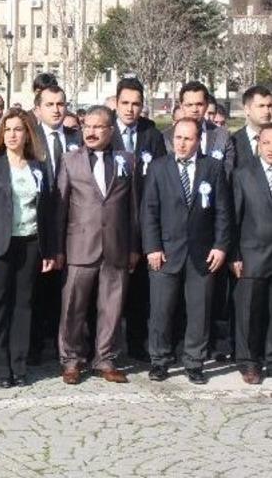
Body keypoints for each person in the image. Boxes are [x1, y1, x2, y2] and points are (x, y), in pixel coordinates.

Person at [54, 106, 140, 385]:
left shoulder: (128, 160)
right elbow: (60, 207)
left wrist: (134, 246)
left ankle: (105, 358)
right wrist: (58, 248)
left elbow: (133, 208)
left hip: (116, 245)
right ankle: (71, 360)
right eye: (86, 126)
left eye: (98, 127)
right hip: (80, 246)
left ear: (110, 131)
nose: (90, 131)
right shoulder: (69, 160)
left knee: (112, 306)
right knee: (73, 307)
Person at [142, 118, 232, 385]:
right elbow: (148, 212)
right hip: (165, 252)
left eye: (188, 139)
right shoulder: (158, 168)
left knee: (199, 311)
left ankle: (194, 361)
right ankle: (160, 360)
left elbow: (223, 213)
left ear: (198, 141)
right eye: (178, 138)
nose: (181, 144)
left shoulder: (212, 168)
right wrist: (153, 247)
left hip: (202, 254)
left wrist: (220, 246)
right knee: (161, 309)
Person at [0, 108, 54, 387]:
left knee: (23, 305)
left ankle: (18, 365)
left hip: (31, 242)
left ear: (27, 134)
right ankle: (0, 367)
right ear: (1, 134)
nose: (12, 135)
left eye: (18, 130)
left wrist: (49, 249)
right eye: (7, 129)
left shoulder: (39, 167)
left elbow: (48, 211)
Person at [111, 77, 168, 361]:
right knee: (108, 286)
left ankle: (136, 343)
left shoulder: (152, 134)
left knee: (139, 288)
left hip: (143, 217)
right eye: (125, 103)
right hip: (111, 220)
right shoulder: (105, 130)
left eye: (136, 104)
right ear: (115, 102)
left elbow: (159, 177)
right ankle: (103, 345)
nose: (130, 109)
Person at [31, 84, 80, 365]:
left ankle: (67, 345)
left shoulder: (77, 138)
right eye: (49, 104)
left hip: (73, 223)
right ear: (38, 109)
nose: (56, 109)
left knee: (68, 291)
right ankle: (35, 346)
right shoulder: (31, 138)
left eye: (61, 104)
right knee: (38, 290)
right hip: (39, 223)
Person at [231, 123, 272, 384]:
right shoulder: (243, 174)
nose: (271, 149)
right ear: (259, 145)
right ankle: (249, 362)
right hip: (251, 255)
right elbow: (233, 218)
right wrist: (234, 253)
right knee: (249, 312)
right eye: (267, 143)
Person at [163, 82, 234, 173]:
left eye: (199, 104)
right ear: (181, 106)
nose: (194, 110)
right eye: (189, 105)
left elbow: (228, 171)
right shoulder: (166, 137)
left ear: (207, 105)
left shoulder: (223, 136)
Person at [229, 85, 272, 171]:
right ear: (247, 109)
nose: (266, 111)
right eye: (261, 106)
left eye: (269, 106)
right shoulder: (233, 141)